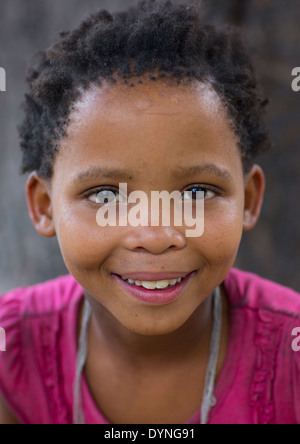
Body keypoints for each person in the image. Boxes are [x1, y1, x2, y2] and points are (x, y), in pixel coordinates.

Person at [0, 0, 299, 424]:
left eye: (197, 191)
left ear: (249, 199)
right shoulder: (11, 351)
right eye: (105, 196)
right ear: (44, 207)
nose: (155, 235)